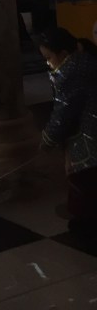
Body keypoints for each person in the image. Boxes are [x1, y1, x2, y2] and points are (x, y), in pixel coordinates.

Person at [38, 26, 97, 237]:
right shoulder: (84, 62)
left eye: (49, 57)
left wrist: (47, 139)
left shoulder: (72, 73)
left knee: (84, 181)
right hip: (90, 131)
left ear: (63, 54)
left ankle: (85, 225)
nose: (48, 62)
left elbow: (63, 113)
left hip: (88, 138)